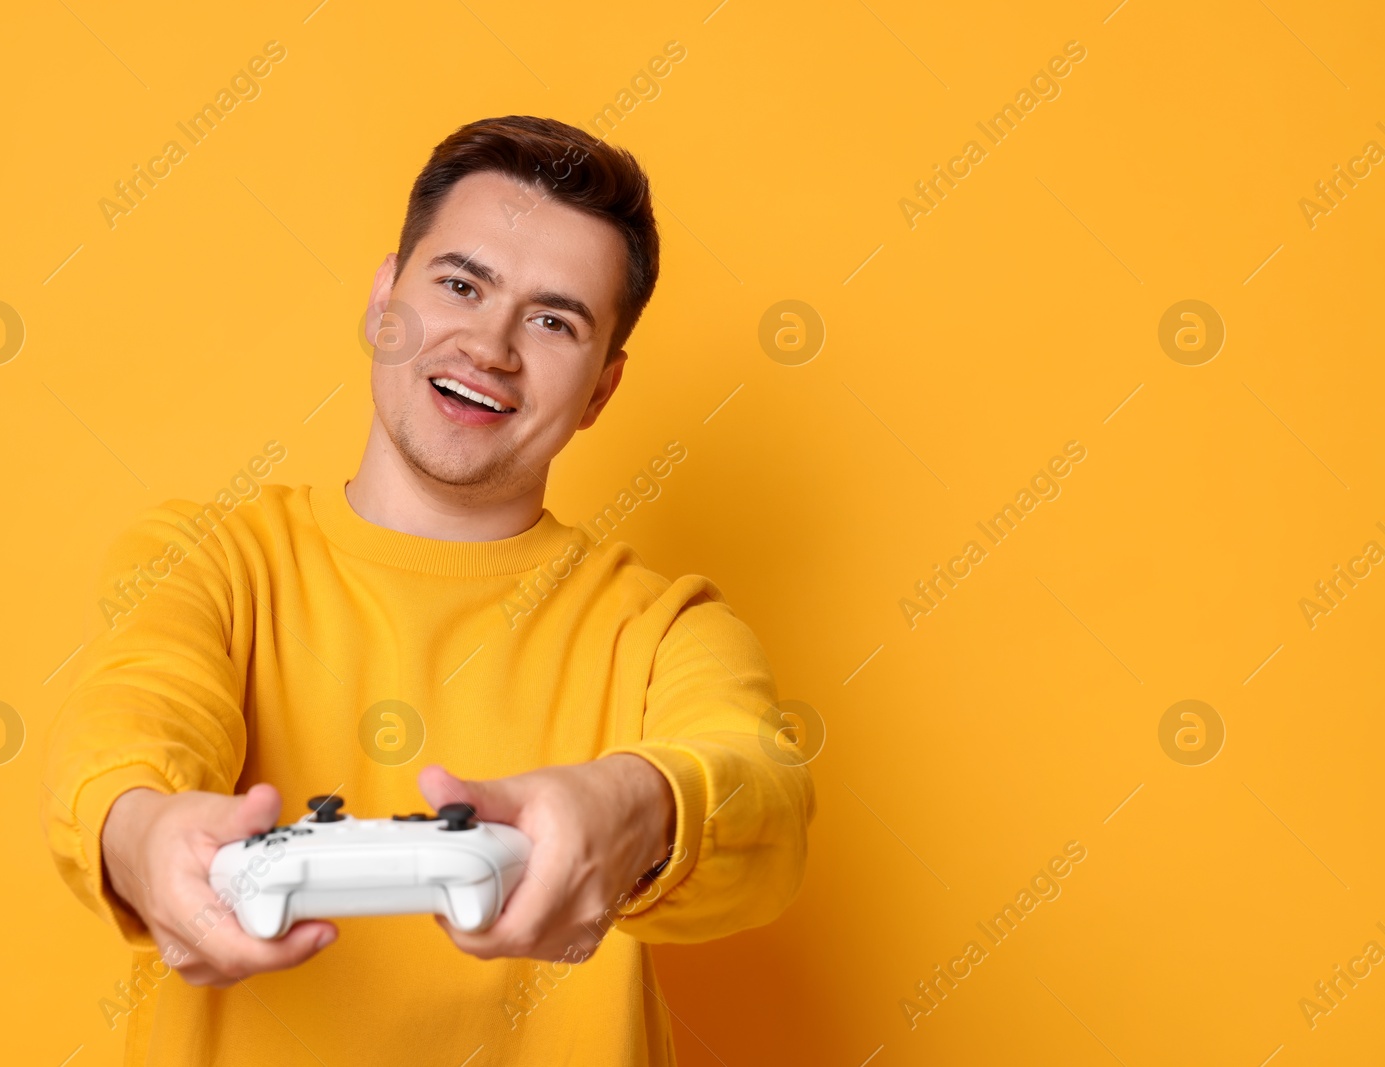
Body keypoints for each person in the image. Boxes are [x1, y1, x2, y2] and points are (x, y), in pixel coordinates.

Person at [43, 114, 814, 1066]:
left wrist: (638, 803)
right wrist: (139, 830)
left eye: (553, 320)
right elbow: (129, 725)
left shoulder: (664, 629)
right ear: (382, 302)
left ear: (603, 390)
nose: (490, 345)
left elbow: (764, 797)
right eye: (460, 283)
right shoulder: (205, 559)